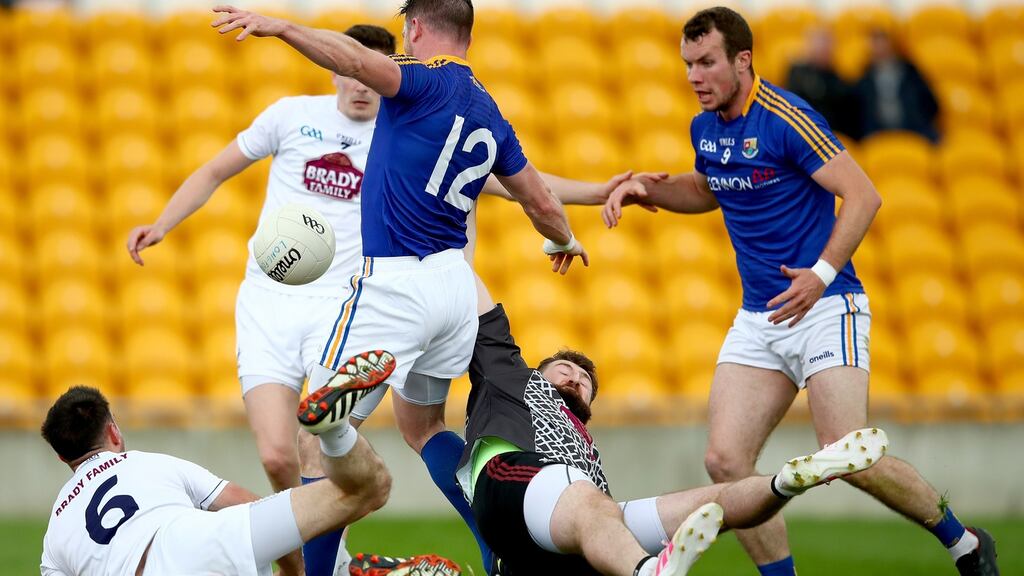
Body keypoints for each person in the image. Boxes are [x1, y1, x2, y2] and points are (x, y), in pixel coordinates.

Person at [127, 17, 627, 573]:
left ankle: (324, 563)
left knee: (316, 443)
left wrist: (281, 26)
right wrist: (565, 232)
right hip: (446, 285)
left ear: (413, 30)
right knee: (418, 428)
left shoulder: (412, 89)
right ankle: (496, 546)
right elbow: (527, 187)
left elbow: (364, 65)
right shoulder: (479, 107)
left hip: (382, 290)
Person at [601, 7, 998, 576]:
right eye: (688, 63)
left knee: (847, 453)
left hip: (825, 305)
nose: (694, 75)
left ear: (743, 60)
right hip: (761, 318)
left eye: (707, 62)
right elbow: (710, 188)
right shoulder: (704, 127)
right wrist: (650, 193)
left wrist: (821, 273)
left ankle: (964, 543)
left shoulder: (786, 116)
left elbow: (863, 196)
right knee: (725, 460)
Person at [455, 270, 887, 576]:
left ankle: (788, 481)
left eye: (585, 381)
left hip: (567, 528)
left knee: (713, 502)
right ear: (538, 370)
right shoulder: (509, 375)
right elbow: (469, 284)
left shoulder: (586, 445)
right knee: (591, 505)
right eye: (565, 369)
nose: (576, 379)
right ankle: (649, 570)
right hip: (512, 481)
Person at [39, 362, 393, 576]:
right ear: (113, 430)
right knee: (368, 488)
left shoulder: (55, 534)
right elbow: (245, 504)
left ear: (62, 458)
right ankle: (334, 432)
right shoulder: (147, 463)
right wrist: (295, 567)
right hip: (199, 536)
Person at [854, 28, 940, 142]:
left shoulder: (910, 72)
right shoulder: (864, 76)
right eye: (876, 44)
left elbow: (931, 103)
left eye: (883, 43)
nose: (880, 48)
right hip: (876, 134)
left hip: (914, 130)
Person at [785, 27, 860, 139]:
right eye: (819, 44)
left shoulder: (838, 79)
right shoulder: (797, 74)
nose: (823, 49)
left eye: (826, 44)